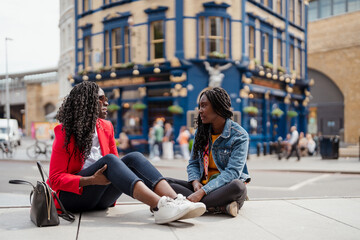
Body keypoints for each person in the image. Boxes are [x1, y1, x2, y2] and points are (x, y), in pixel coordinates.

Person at [47, 81, 205, 224]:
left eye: (105, 99)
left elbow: (118, 167)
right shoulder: (64, 132)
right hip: (71, 198)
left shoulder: (106, 126)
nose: (106, 103)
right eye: (100, 99)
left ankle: (175, 200)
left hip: (102, 200)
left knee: (133, 158)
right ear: (86, 103)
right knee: (109, 159)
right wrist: (91, 180)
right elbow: (54, 179)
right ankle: (160, 206)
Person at [167, 87, 250, 217]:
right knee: (165, 183)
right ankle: (220, 206)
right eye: (200, 106)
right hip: (201, 185)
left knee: (238, 186)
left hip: (224, 188)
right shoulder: (201, 133)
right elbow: (193, 163)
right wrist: (195, 182)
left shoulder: (239, 136)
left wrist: (203, 192)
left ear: (218, 107)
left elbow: (233, 172)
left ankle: (188, 204)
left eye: (204, 106)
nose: (200, 111)